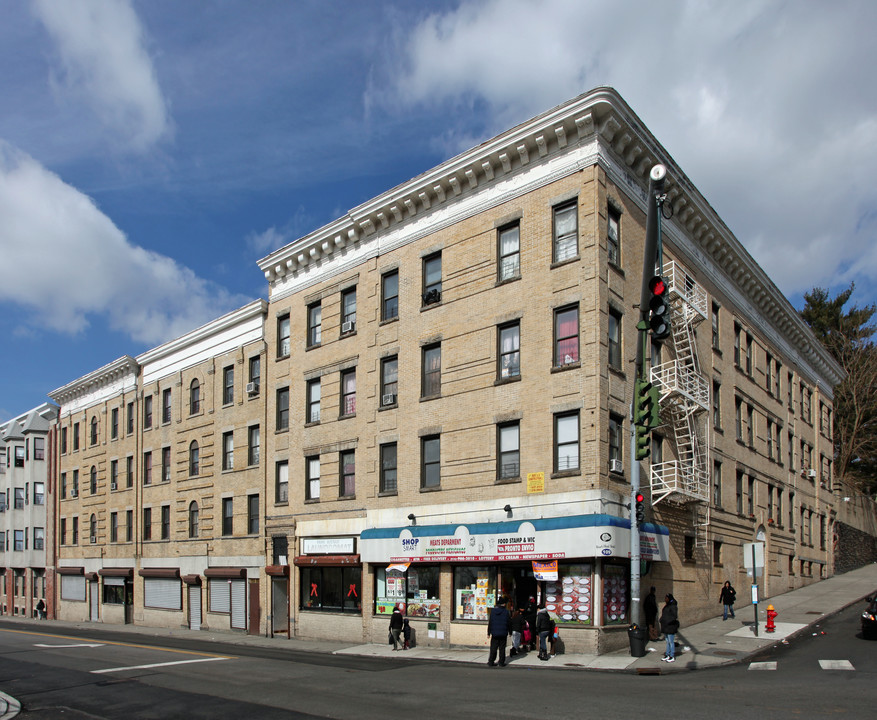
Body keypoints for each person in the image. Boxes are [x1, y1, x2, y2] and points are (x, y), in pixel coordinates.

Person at [487, 596, 511, 666]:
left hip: (494, 633)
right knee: (502, 648)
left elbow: (490, 622)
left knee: (493, 648)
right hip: (503, 633)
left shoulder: (493, 611)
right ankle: (501, 662)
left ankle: (491, 661)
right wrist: (510, 632)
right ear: (504, 604)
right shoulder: (506, 612)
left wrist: (488, 632)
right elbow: (509, 622)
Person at [660, 593, 679, 663]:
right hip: (665, 627)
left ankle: (672, 656)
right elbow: (664, 614)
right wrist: (661, 619)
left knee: (671, 642)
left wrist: (667, 621)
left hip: (670, 627)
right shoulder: (667, 606)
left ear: (669, 598)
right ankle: (667, 655)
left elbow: (674, 616)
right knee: (667, 642)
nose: (665, 599)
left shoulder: (673, 606)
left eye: (666, 598)